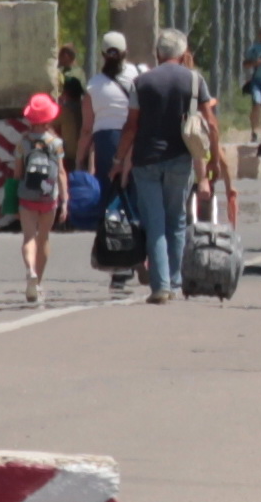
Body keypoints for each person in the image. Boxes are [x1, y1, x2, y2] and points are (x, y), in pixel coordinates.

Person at [116, 29, 211, 303]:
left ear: (158, 54)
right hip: (181, 159)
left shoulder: (141, 82)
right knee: (177, 220)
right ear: (183, 55)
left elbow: (131, 127)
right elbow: (207, 126)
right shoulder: (195, 80)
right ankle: (176, 280)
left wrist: (118, 160)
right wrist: (208, 169)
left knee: (154, 223)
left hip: (146, 161)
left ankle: (160, 286)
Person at [85, 37, 136, 286]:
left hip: (106, 143)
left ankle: (119, 263)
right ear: (126, 52)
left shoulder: (94, 86)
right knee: (137, 198)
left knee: (112, 203)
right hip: (136, 138)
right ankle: (142, 257)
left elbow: (86, 129)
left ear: (103, 54)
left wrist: (79, 162)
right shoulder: (139, 75)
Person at [8, 91, 66, 305]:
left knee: (28, 238)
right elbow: (60, 172)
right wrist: (65, 201)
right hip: (48, 197)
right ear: (50, 118)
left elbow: (17, 173)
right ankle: (38, 283)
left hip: (27, 196)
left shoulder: (23, 143)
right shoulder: (55, 143)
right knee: (44, 238)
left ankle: (29, 271)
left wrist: (13, 200)